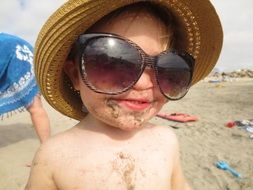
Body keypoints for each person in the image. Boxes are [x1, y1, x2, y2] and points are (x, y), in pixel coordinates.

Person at [26, 0, 223, 189]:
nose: (143, 83)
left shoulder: (167, 140)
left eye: (166, 69)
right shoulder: (52, 157)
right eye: (113, 63)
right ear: (76, 75)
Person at [0, 33, 50, 144]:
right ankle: (46, 147)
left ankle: (46, 148)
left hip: (18, 58)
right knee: (36, 108)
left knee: (34, 107)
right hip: (25, 53)